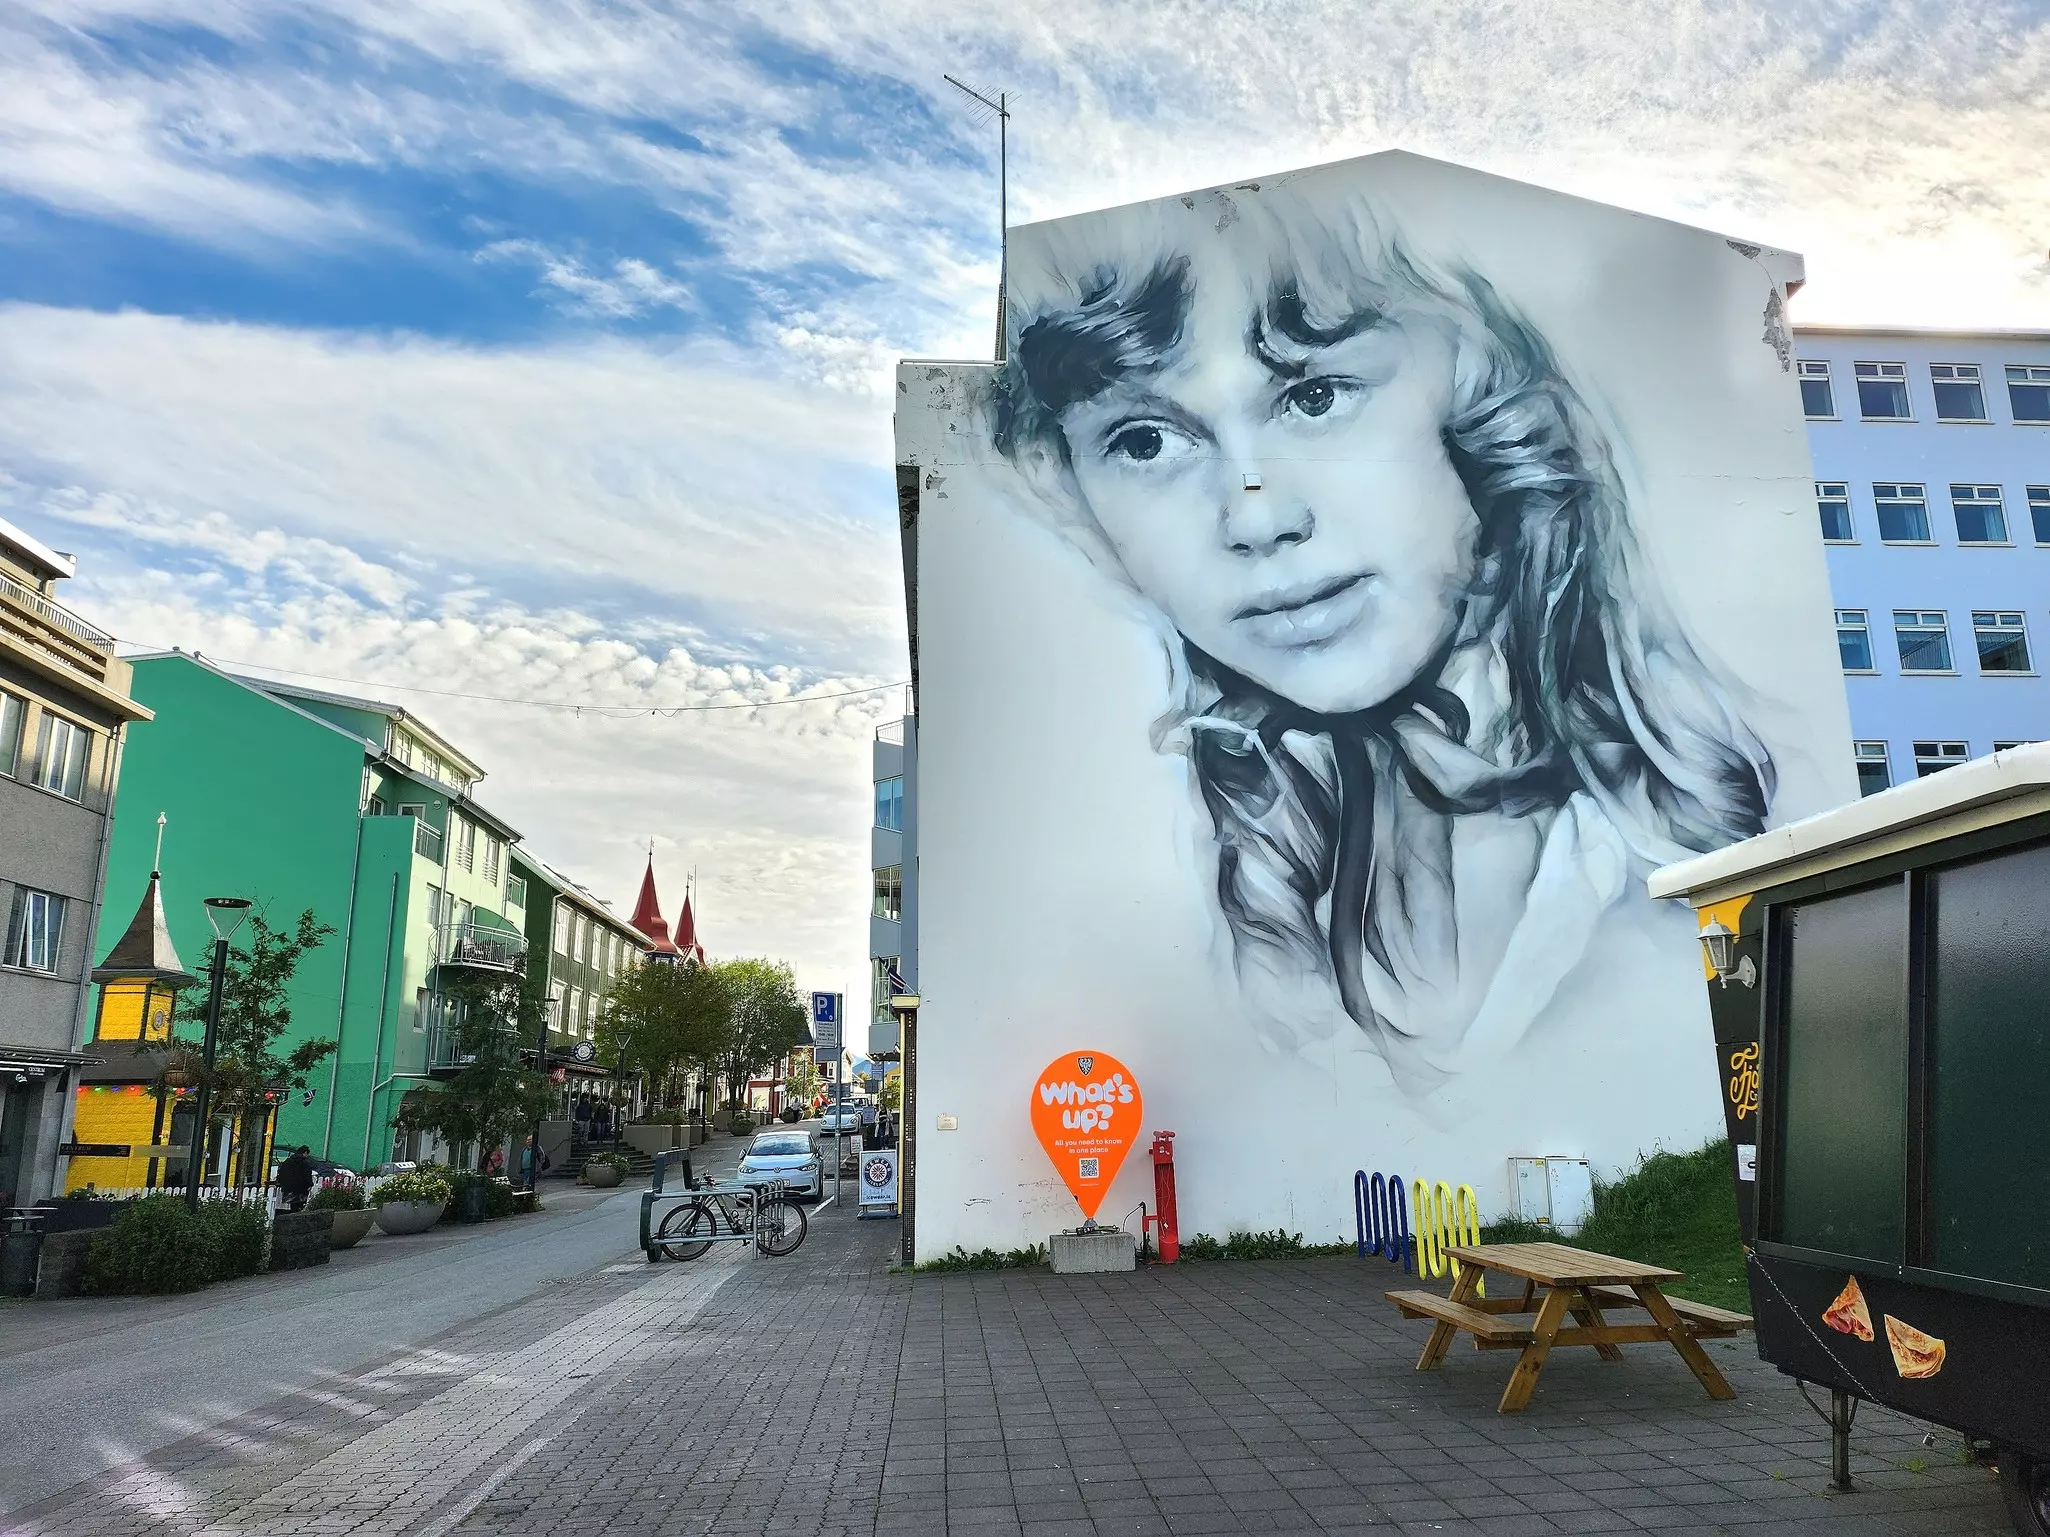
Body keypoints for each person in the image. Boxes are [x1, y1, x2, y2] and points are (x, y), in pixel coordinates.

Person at [989, 188, 1774, 1093]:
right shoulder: (1230, 868)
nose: (1257, 517)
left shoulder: (1669, 854)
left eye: (1315, 396)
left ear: (1476, 398)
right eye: (1145, 442)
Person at [278, 1145, 314, 1213]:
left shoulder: (287, 1161)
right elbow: (307, 1175)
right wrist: (310, 1184)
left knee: (292, 1205)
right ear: (305, 1153)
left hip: (288, 1188)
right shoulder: (304, 1162)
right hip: (300, 1188)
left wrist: (282, 1184)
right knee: (299, 1206)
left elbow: (282, 1173)